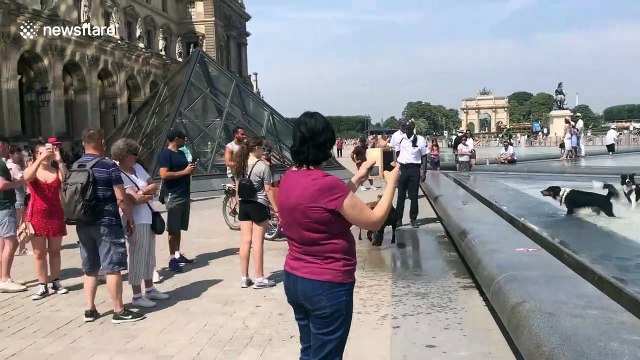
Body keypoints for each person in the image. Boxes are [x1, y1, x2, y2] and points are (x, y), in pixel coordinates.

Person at [278, 111, 400, 359]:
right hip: (327, 284)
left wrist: (357, 177)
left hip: (295, 278)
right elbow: (375, 222)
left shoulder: (289, 178)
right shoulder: (327, 185)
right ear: (327, 144)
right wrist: (392, 184)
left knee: (310, 351)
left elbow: (326, 205)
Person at [75, 128, 144, 323]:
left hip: (82, 222)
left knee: (90, 268)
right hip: (107, 222)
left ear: (83, 143)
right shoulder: (108, 166)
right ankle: (119, 311)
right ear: (102, 143)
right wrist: (130, 219)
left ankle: (89, 309)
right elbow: (121, 198)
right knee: (113, 267)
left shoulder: (76, 165)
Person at [112, 138, 169, 308]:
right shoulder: (118, 173)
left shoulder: (137, 168)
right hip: (134, 220)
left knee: (149, 255)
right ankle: (137, 294)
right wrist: (144, 195)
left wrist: (143, 192)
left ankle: (150, 289)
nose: (137, 157)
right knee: (137, 255)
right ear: (125, 155)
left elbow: (154, 185)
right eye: (134, 154)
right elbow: (132, 200)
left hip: (148, 216)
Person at [23, 141, 69, 300]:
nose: (46, 155)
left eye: (48, 152)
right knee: (39, 253)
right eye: (42, 153)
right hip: (37, 215)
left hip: (55, 214)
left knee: (55, 251)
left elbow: (66, 180)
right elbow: (26, 178)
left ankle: (56, 281)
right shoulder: (33, 170)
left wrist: (59, 159)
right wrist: (38, 160)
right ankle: (42, 285)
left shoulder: (55, 169)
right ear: (36, 154)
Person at [233, 137, 277, 289]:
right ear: (257, 148)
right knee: (258, 243)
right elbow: (268, 190)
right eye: (262, 148)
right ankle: (259, 278)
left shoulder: (240, 164)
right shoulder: (262, 167)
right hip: (258, 205)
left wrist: (235, 204)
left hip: (244, 205)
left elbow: (237, 187)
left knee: (245, 241)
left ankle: (244, 277)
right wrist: (276, 208)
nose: (263, 150)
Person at [158, 129, 195, 273]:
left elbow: (185, 170)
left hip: (184, 193)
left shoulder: (180, 153)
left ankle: (178, 254)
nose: (185, 140)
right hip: (173, 195)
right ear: (175, 139)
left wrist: (191, 170)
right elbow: (163, 174)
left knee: (179, 226)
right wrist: (184, 172)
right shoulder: (165, 155)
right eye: (183, 138)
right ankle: (172, 258)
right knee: (173, 229)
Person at [0, 137, 26, 293]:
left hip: (1, 208)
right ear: (2, 145)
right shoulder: (1, 164)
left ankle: (3, 277)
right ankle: (5, 278)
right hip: (5, 207)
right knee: (12, 242)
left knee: (3, 243)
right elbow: (2, 185)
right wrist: (19, 182)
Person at [395, 120, 428, 228]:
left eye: (409, 128)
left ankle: (413, 219)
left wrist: (424, 171)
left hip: (414, 169)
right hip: (403, 169)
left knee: (413, 196)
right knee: (401, 196)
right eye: (405, 128)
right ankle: (398, 219)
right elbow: (396, 152)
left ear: (413, 128)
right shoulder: (400, 138)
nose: (407, 130)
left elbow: (424, 156)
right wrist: (397, 167)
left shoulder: (420, 139)